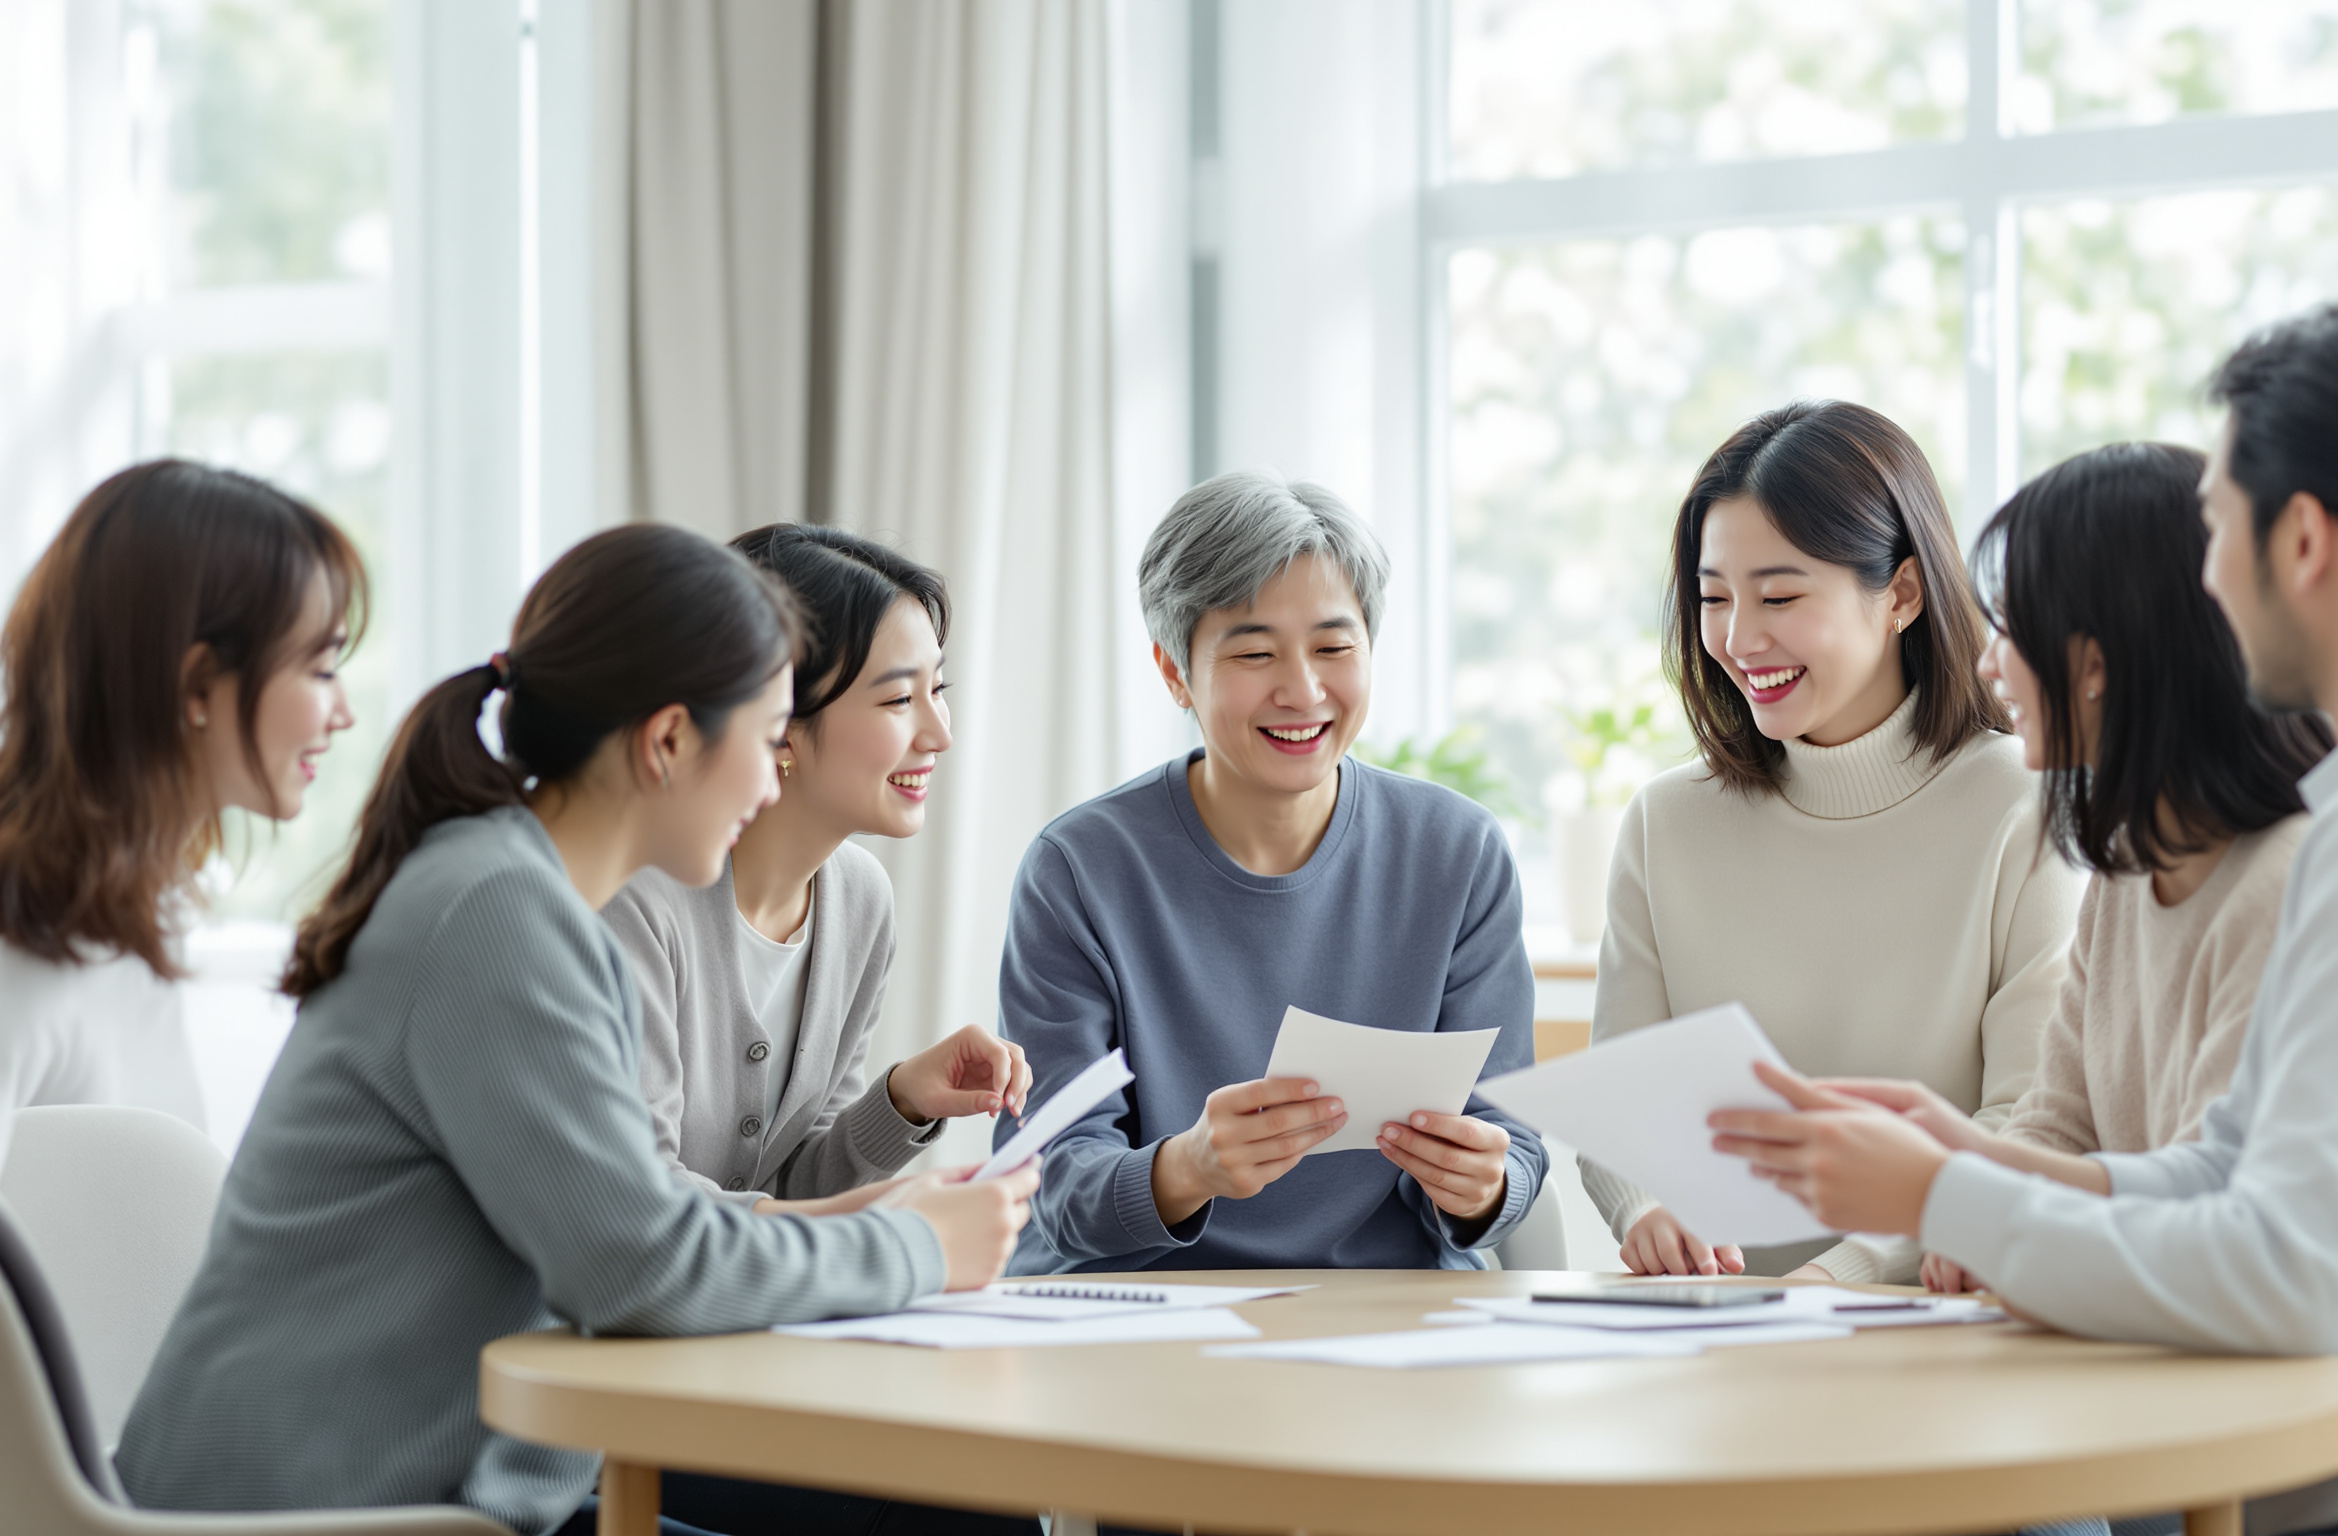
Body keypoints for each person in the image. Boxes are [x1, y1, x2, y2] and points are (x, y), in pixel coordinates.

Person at [1711, 304, 2338, 1536]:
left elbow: (2297, 1278)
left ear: (2300, 541)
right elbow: (2233, 1170)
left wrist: (1942, 1196)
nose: (2201, 582)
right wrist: (1969, 1162)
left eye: (2216, 529)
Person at [117, 524, 1041, 1536]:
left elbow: (640, 1224)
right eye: (765, 737)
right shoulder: (501, 913)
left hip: (460, 1491)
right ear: (668, 743)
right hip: (321, 1509)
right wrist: (911, 1245)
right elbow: (642, 1269)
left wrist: (891, 1212)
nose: (769, 783)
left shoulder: (524, 897)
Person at [998, 470, 1546, 1275]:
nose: (1303, 689)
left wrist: (1484, 1185)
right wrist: (1186, 1169)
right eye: (1255, 653)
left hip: (1385, 1313)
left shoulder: (1455, 853)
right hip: (1145, 1309)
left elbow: (1512, 1144)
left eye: (1334, 648)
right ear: (1174, 671)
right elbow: (1049, 1182)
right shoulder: (1080, 870)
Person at [1590, 400, 2081, 1283]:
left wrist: (1833, 1279)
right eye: (1713, 598)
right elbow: (1621, 1098)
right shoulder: (1667, 822)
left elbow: (2028, 1124)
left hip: (1929, 1320)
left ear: (1902, 595)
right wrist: (1647, 1207)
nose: (1738, 639)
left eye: (1779, 596)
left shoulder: (2023, 805)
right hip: (1713, 1319)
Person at [1915, 442, 2332, 1297]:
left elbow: (2220, 1201)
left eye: (2011, 631)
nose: (1990, 666)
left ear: (2096, 662)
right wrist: (1985, 1209)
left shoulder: (2288, 881)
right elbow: (2059, 1119)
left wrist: (1987, 1205)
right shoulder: (2127, 871)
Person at [606, 524, 1030, 1212]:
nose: (940, 733)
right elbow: (636, 1197)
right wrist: (888, 1225)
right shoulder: (635, 897)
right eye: (899, 699)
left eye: (938, 689)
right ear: (776, 721)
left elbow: (791, 1184)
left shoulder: (861, 899)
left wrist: (903, 1099)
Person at [0, 459, 362, 1165]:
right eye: (320, 669)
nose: (343, 712)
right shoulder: (26, 963)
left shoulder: (135, 921)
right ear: (198, 685)